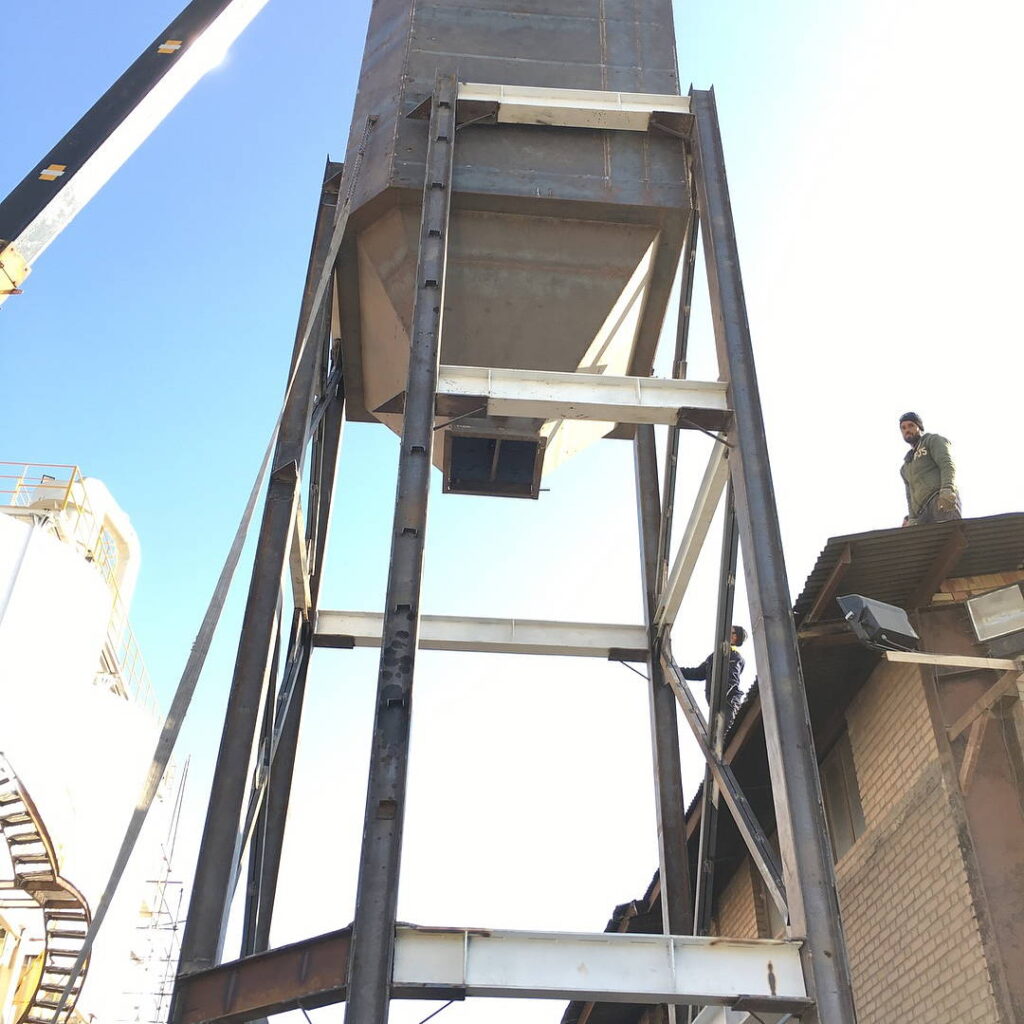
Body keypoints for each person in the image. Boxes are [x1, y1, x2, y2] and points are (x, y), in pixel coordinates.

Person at [898, 412, 961, 526]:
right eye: (903, 428)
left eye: (911, 425)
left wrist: (948, 489)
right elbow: (909, 495)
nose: (907, 430)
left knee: (950, 538)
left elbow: (947, 464)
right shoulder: (906, 465)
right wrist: (912, 518)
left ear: (919, 427)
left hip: (939, 501)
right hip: (921, 514)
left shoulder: (932, 441)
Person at [681, 625, 747, 726]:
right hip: (717, 706)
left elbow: (731, 681)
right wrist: (677, 670)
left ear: (734, 638)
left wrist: (720, 697)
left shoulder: (734, 656)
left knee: (726, 737)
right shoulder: (715, 657)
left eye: (730, 631)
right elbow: (698, 673)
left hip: (728, 705)